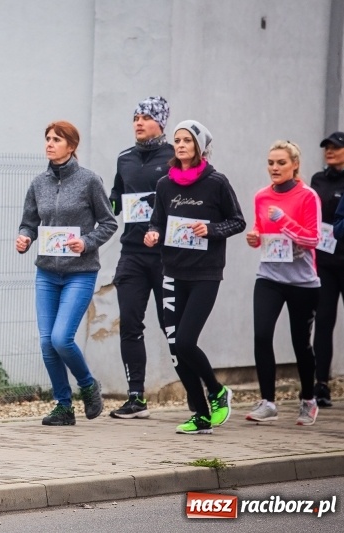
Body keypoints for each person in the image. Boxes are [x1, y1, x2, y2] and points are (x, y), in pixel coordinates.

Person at [144, 120, 245, 435]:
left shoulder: (216, 182)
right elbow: (156, 221)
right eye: (177, 140)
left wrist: (211, 230)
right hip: (173, 272)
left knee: (186, 341)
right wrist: (153, 233)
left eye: (187, 140)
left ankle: (216, 391)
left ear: (200, 145)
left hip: (205, 274)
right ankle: (200, 414)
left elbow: (238, 221)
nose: (181, 145)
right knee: (176, 347)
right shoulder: (164, 184)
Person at [16, 121, 118, 426]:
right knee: (47, 342)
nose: (49, 143)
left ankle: (88, 384)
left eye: (56, 139)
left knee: (62, 338)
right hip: (47, 273)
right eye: (47, 138)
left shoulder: (89, 181)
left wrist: (85, 243)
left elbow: (109, 223)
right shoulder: (38, 184)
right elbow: (28, 223)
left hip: (80, 273)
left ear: (71, 146)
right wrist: (24, 237)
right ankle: (63, 406)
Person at [245, 140, 321, 425]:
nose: (274, 168)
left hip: (302, 281)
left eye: (281, 163)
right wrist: (254, 236)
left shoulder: (308, 196)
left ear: (295, 165)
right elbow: (261, 231)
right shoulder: (262, 196)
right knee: (262, 335)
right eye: (271, 163)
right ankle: (268, 402)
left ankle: (308, 399)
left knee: (301, 344)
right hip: (269, 277)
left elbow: (313, 239)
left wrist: (285, 220)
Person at [108, 96, 174, 419]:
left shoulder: (174, 156)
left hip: (165, 256)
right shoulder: (125, 158)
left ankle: (198, 391)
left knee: (170, 326)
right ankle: (136, 397)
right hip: (132, 252)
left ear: (160, 122)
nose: (138, 122)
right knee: (130, 324)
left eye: (146, 117)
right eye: (135, 116)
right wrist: (110, 205)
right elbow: (117, 194)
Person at [310, 132, 344, 407]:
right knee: (323, 322)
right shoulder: (318, 180)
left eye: (336, 148)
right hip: (324, 263)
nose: (330, 151)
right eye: (327, 147)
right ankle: (321, 385)